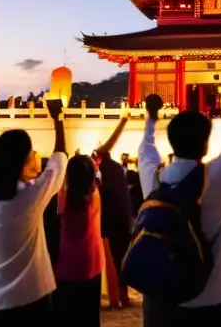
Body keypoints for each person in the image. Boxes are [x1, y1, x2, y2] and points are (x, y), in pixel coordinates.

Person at [138, 58, 221, 326]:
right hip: (208, 298)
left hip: (161, 300)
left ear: (171, 142)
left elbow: (145, 152)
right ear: (205, 145)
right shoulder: (214, 178)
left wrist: (150, 118)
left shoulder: (155, 179)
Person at [0, 97, 67, 326]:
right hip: (27, 298)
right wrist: (57, 119)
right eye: (31, 153)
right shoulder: (29, 196)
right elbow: (59, 162)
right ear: (22, 163)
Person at [55, 114, 127, 325]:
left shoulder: (61, 199)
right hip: (92, 265)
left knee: (68, 316)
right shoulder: (94, 196)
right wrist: (122, 122)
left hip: (66, 267)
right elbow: (103, 152)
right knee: (89, 316)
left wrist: (59, 124)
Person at [96, 118, 134, 308]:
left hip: (109, 223)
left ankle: (115, 297)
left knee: (112, 261)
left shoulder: (103, 173)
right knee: (122, 259)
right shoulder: (117, 170)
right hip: (123, 219)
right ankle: (123, 296)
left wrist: (123, 122)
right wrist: (123, 121)